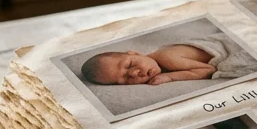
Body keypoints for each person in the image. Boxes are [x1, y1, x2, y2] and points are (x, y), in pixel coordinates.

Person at [81, 45, 216, 86]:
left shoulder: (166, 57)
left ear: (135, 53)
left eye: (129, 65)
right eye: (126, 78)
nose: (134, 73)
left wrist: (170, 77)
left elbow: (208, 69)